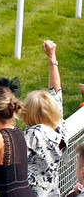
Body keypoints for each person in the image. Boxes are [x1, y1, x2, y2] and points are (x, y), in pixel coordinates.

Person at [22, 41, 67, 197]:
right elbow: (56, 91)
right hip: (53, 192)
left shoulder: (33, 134)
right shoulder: (58, 125)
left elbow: (7, 154)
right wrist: (51, 58)